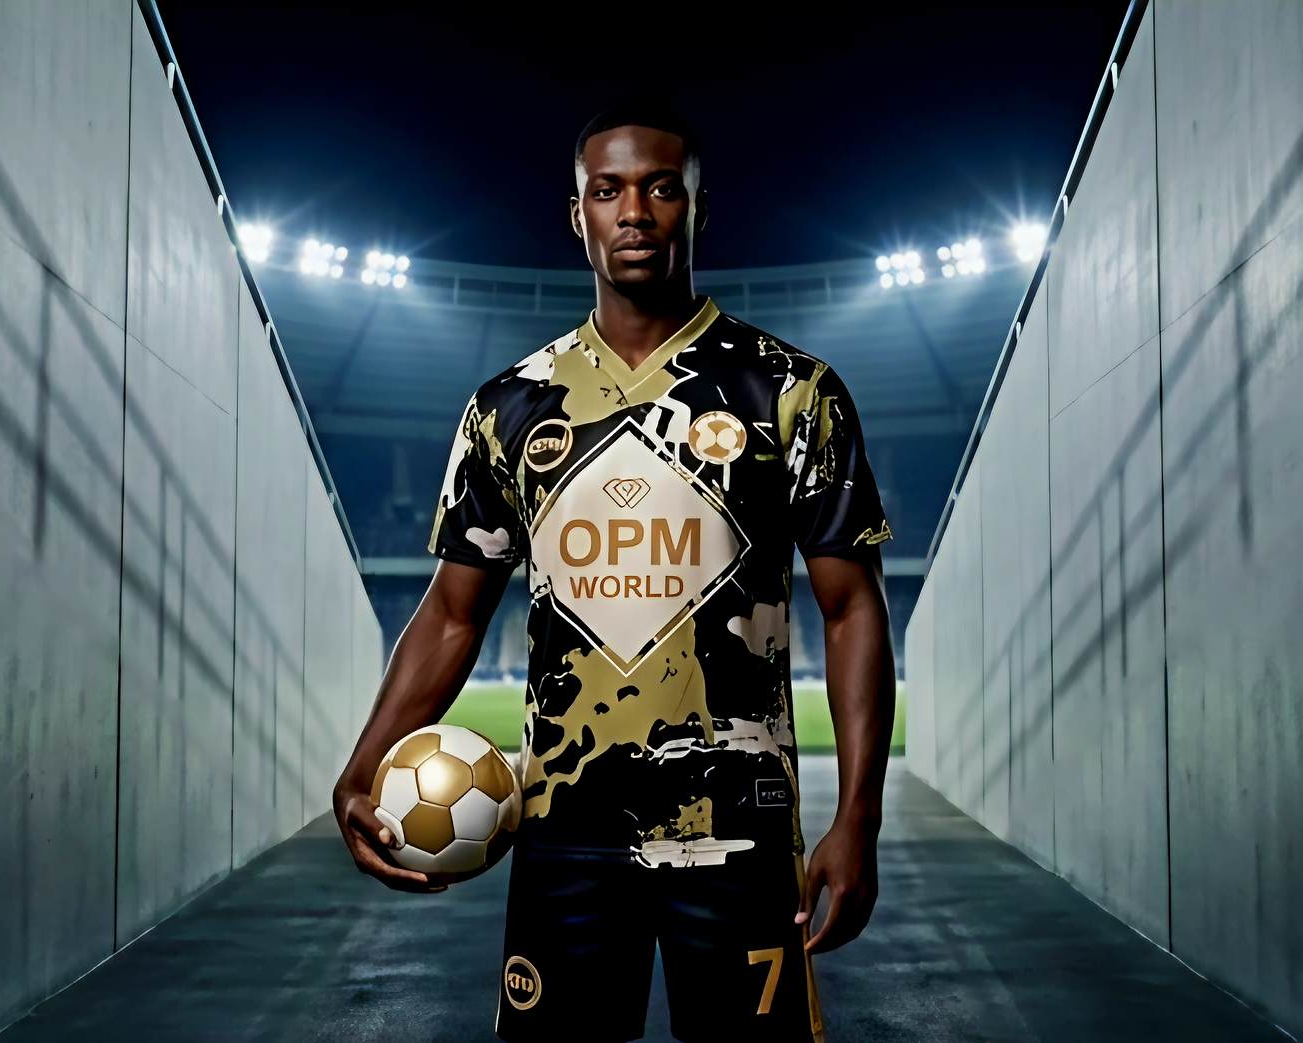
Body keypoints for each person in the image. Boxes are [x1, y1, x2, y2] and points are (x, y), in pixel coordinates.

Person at [332, 97, 896, 1043]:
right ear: (577, 214)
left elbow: (851, 609)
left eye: (661, 188)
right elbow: (452, 612)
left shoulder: (788, 388)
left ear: (698, 210)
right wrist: (359, 769)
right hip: (565, 824)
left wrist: (859, 817)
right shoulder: (509, 407)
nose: (634, 211)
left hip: (737, 824)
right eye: (608, 190)